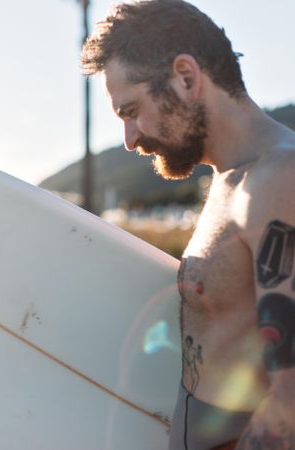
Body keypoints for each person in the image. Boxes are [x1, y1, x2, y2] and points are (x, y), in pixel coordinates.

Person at [80, 1, 295, 449]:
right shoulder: (229, 180)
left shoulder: (279, 181)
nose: (130, 138)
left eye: (131, 110)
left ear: (185, 77)